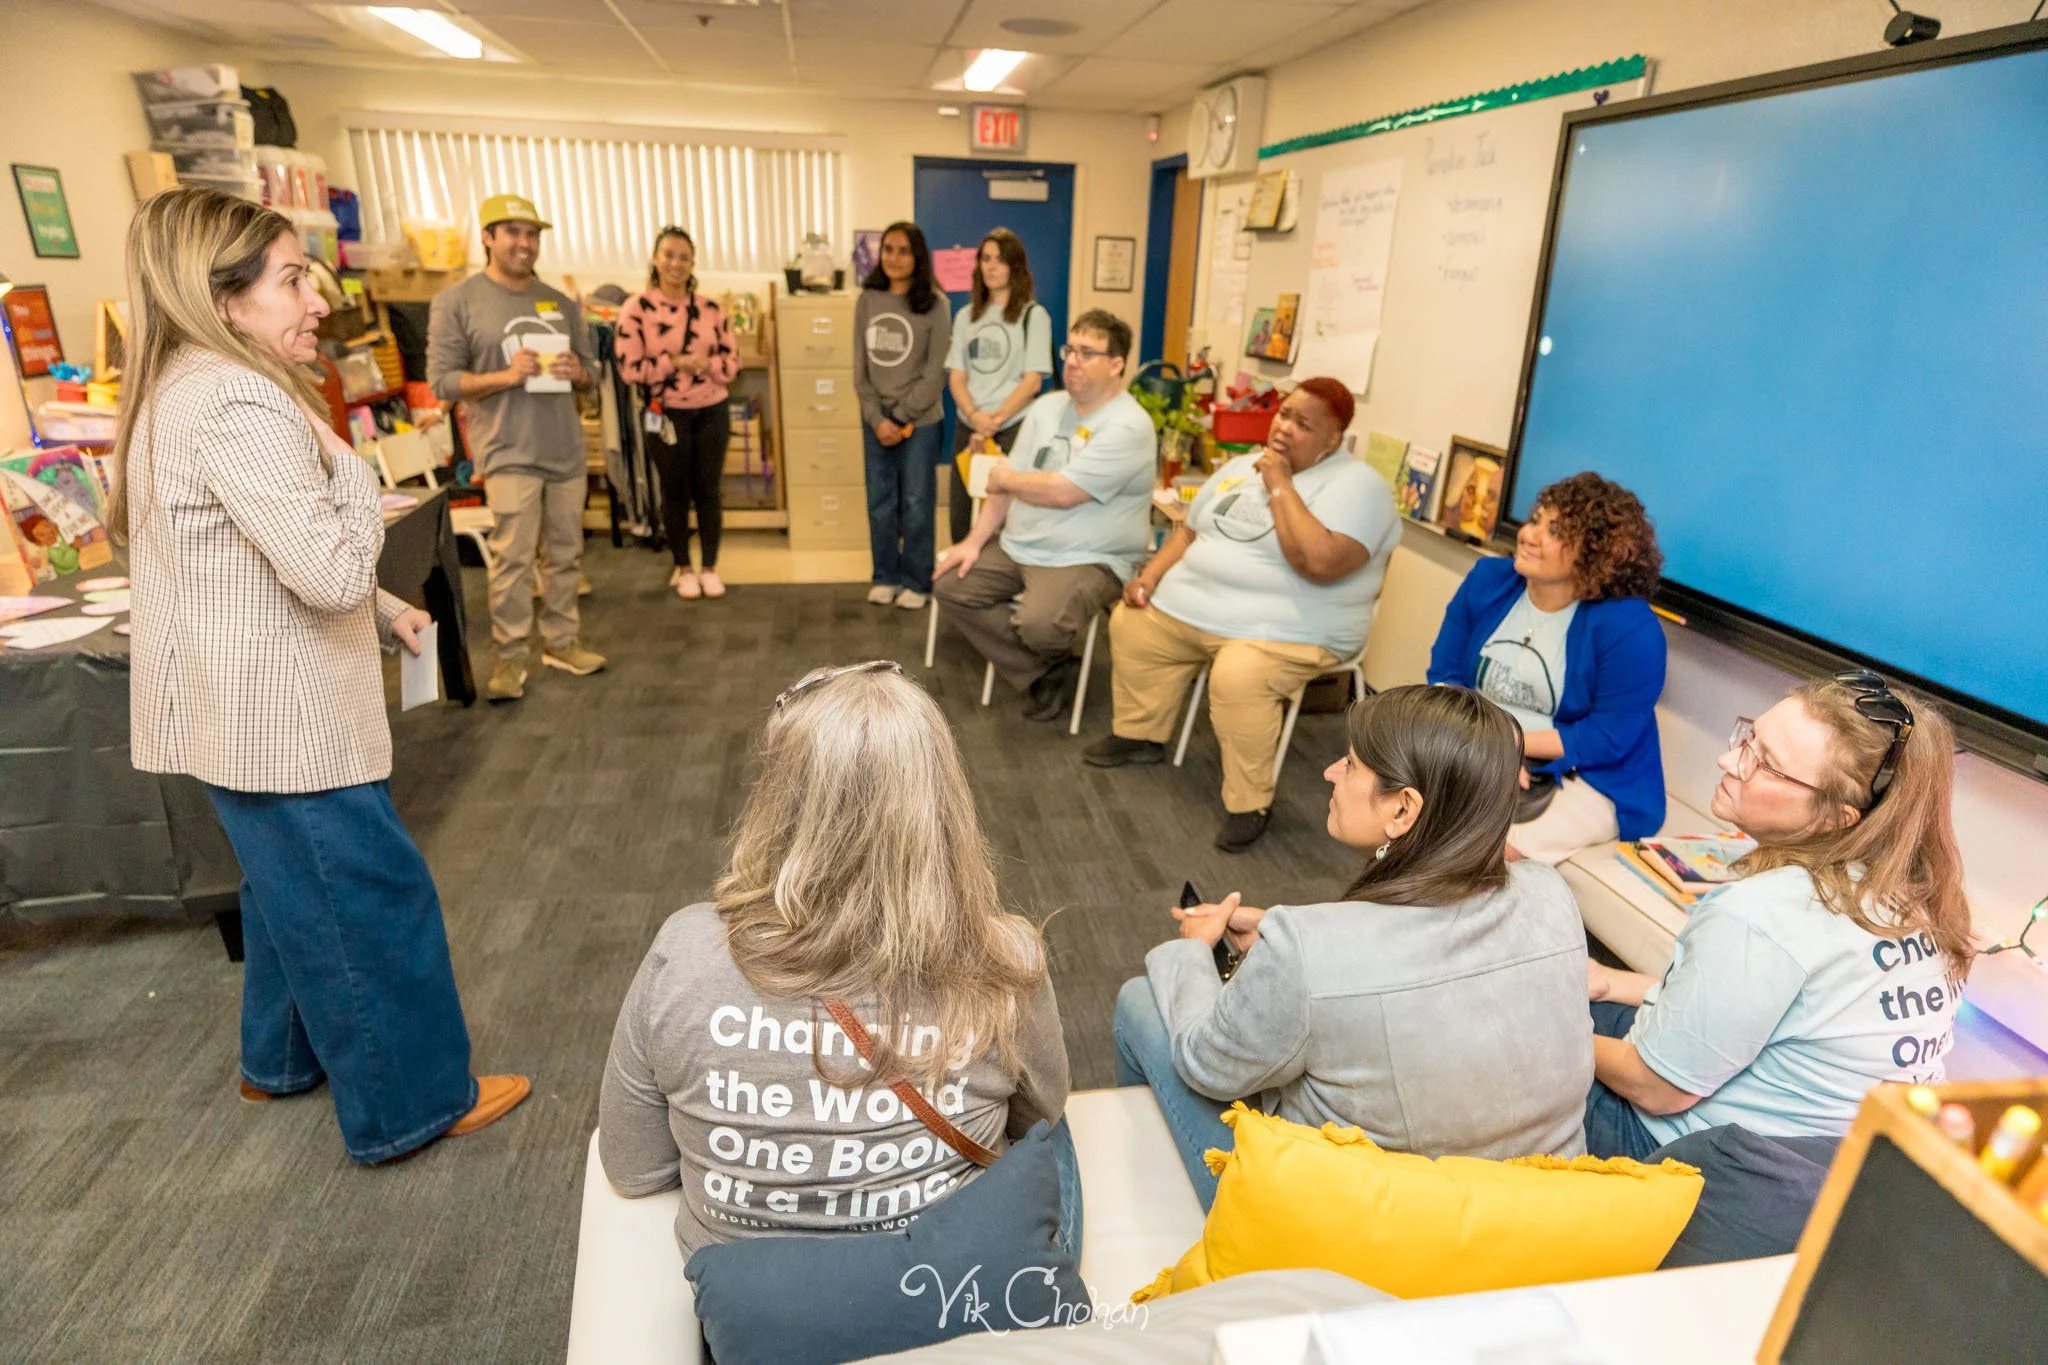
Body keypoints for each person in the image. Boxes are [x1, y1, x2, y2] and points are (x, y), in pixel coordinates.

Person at [115, 186, 527, 1164]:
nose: (315, 303)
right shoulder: (239, 400)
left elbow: (244, 557)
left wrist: (385, 612)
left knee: (284, 890)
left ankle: (279, 1059)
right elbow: (328, 565)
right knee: (372, 901)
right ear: (225, 298)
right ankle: (413, 1104)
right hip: (284, 719)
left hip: (236, 711)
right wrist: (354, 476)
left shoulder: (181, 385)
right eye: (293, 280)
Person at [599, 662, 1077, 1255]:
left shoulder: (688, 951)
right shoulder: (1005, 958)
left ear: (778, 799)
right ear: (945, 802)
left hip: (753, 1321)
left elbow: (633, 1167)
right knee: (1056, 1147)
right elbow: (1038, 1121)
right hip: (956, 1300)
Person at [1112, 685, 1592, 1210]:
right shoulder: (1550, 892)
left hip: (1368, 1234)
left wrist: (1193, 951)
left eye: (1351, 764)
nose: (1330, 773)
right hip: (1540, 1214)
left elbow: (1206, 1064)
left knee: (1142, 999)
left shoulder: (1306, 950)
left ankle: (1160, 1208)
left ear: (1404, 809)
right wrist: (1277, 935)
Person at [1584, 673, 1969, 1158]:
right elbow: (1759, 1015)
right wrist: (1608, 983)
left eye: (1765, 764)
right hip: (1825, 1170)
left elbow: (1657, 1089)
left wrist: (1561, 1036)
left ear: (1836, 816)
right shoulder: (1920, 898)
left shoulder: (1761, 915)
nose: (1728, 760)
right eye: (1749, 739)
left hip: (1702, 1162)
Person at [1084, 378, 1401, 851]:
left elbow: (1320, 564)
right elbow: (1188, 533)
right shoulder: (1237, 466)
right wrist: (1149, 578)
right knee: (1133, 624)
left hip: (1289, 632)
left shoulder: (1360, 487)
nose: (1285, 428)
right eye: (1284, 415)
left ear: (1333, 439)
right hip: (1192, 614)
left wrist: (1279, 486)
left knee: (1238, 676)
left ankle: (1249, 802)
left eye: (1302, 424)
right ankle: (1141, 734)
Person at [1427, 471, 1667, 862]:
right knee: (1399, 810)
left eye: (1555, 531)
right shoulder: (1488, 580)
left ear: (1596, 553)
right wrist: (1486, 747)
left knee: (1483, 851)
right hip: (1479, 744)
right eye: (1536, 519)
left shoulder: (1631, 628)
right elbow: (1445, 675)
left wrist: (1508, 744)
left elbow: (1605, 738)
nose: (1529, 535)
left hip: (1588, 777)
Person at [932, 310, 1155, 722]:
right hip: (1022, 544)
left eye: (1088, 352)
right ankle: (1044, 669)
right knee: (950, 584)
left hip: (1089, 556)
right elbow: (1003, 486)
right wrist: (973, 542)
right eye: (1070, 349)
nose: (1072, 360)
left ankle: (1042, 658)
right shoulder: (1047, 408)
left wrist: (1007, 478)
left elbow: (1064, 492)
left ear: (1116, 363)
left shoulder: (1129, 426)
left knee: (1039, 624)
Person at [427, 192, 606, 702]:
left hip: (566, 452)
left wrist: (579, 373)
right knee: (512, 562)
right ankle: (509, 660)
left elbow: (591, 374)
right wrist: (506, 376)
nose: (525, 244)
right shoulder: (458, 302)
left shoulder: (560, 301)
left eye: (533, 234)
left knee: (567, 557)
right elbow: (441, 382)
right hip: (507, 451)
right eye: (513, 233)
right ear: (488, 237)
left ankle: (562, 642)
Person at [616, 225, 741, 601]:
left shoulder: (711, 308)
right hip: (665, 413)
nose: (676, 263)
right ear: (656, 259)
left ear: (693, 262)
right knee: (674, 493)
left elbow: (731, 363)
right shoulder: (636, 309)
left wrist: (706, 365)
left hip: (711, 409)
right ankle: (683, 567)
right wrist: (674, 363)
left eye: (684, 257)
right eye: (668, 255)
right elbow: (629, 368)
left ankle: (710, 567)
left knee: (709, 492)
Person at [854, 222, 952, 611]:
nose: (894, 258)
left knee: (916, 501)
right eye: (888, 250)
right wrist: (878, 417)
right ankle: (885, 576)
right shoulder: (868, 299)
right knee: (880, 502)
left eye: (904, 251)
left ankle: (916, 580)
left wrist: (902, 416)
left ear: (918, 257)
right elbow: (859, 371)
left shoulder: (937, 304)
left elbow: (936, 371)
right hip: (875, 421)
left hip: (922, 421)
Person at [944, 228, 1053, 544]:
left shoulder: (1034, 316)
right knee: (962, 519)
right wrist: (976, 416)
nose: (991, 267)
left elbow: (1032, 381)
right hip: (970, 429)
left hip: (1012, 430)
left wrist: (994, 421)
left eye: (1000, 261)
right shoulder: (966, 316)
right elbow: (957, 377)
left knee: (1006, 520)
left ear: (1015, 267)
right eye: (986, 259)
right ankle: (962, 587)